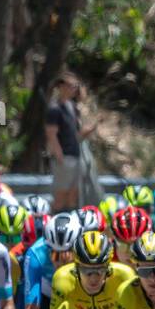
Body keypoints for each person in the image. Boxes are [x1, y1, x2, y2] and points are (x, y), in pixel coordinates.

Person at [46, 71, 96, 211]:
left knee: (73, 196)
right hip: (64, 158)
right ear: (61, 87)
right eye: (71, 86)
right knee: (60, 197)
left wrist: (90, 129)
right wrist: (59, 156)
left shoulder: (72, 107)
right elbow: (51, 134)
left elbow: (76, 135)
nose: (74, 89)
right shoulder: (55, 109)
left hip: (75, 156)